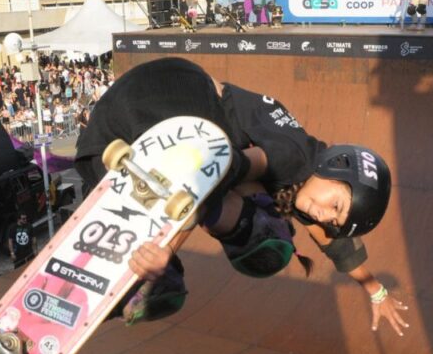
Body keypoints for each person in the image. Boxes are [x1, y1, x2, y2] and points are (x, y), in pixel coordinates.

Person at [74, 57, 408, 335]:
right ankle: (156, 275)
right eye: (334, 206)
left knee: (170, 238)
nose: (322, 216)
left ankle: (116, 281)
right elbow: (210, 173)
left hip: (105, 141)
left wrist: (376, 292)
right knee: (257, 224)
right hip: (172, 94)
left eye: (332, 220)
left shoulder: (311, 187)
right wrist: (164, 251)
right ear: (334, 166)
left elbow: (336, 246)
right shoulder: (294, 156)